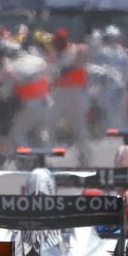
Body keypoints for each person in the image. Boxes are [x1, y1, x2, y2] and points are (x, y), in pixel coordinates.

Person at [49, 28, 90, 164]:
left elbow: (84, 53)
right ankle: (48, 155)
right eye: (56, 42)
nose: (58, 44)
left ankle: (84, 153)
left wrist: (71, 66)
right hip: (60, 92)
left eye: (60, 41)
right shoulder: (54, 54)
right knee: (50, 122)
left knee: (79, 124)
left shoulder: (75, 50)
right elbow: (52, 72)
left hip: (75, 92)